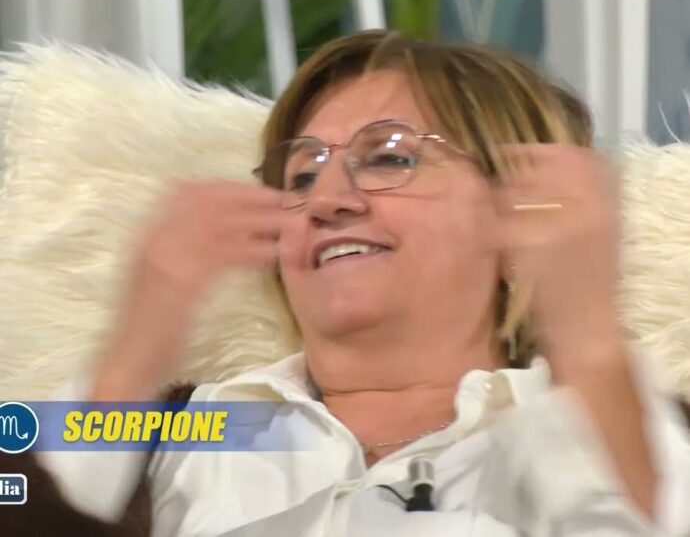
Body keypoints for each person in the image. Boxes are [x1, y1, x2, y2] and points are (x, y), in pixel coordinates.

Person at [25, 30, 690, 535]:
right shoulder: (170, 430)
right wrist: (137, 348)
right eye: (302, 175)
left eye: (390, 158)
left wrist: (588, 344)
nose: (326, 200)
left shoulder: (612, 430)